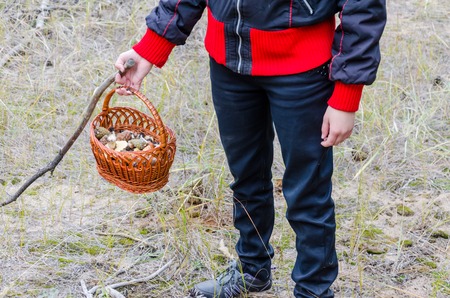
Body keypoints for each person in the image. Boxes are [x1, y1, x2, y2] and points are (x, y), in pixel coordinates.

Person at [114, 1, 386, 297]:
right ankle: (252, 269)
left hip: (304, 69)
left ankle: (313, 290)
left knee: (308, 191)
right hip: (229, 64)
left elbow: (363, 5)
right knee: (246, 177)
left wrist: (347, 93)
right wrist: (150, 46)